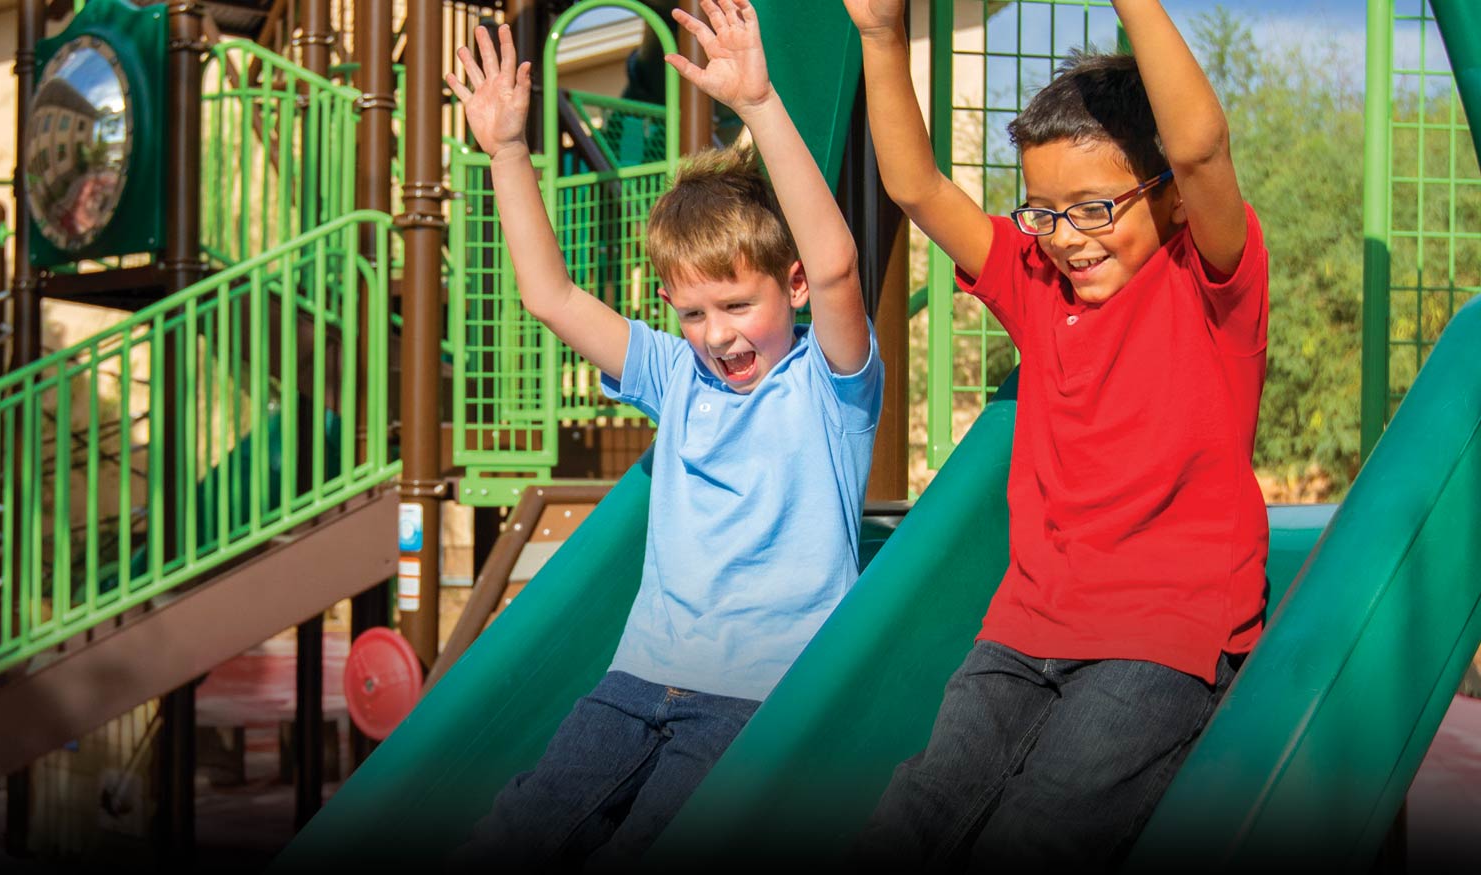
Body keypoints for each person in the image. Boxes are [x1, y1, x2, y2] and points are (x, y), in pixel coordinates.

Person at [443, 0, 881, 865]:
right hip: (636, 680)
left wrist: (758, 104)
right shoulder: (676, 374)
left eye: (736, 304)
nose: (717, 333)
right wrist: (503, 151)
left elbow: (835, 261)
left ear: (788, 288)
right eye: (691, 311)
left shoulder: (830, 388)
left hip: (754, 698)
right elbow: (552, 298)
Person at [841, 0, 1270, 866]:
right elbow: (915, 186)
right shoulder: (1037, 282)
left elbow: (1198, 148)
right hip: (1024, 628)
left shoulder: (1208, 284)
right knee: (916, 811)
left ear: (1172, 204)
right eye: (1044, 211)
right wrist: (882, 36)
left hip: (1160, 636)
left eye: (1093, 208)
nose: (1067, 237)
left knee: (1047, 823)